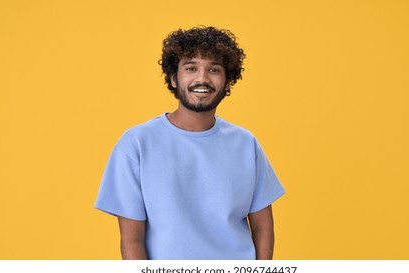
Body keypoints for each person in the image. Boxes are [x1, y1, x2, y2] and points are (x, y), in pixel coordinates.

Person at [94, 26, 285, 260]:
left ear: (227, 82)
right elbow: (131, 239)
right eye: (191, 68)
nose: (202, 78)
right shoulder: (136, 144)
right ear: (174, 78)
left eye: (214, 69)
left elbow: (263, 227)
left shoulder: (246, 144)